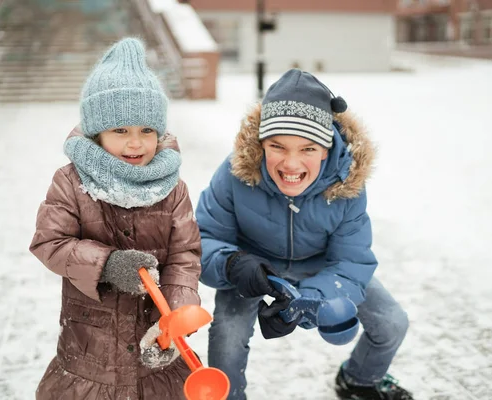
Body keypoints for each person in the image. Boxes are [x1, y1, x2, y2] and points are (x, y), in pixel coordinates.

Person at [196, 69, 413, 400]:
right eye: (278, 146)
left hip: (320, 264)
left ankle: (359, 380)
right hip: (250, 265)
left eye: (308, 149)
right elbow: (204, 238)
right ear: (261, 145)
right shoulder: (233, 174)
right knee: (227, 335)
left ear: (326, 150)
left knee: (392, 321)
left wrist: (308, 303)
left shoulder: (347, 184)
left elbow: (351, 262)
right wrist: (232, 264)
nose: (291, 163)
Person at [29, 37, 202, 399]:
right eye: (121, 131)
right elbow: (49, 242)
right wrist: (107, 264)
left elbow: (185, 255)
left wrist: (173, 318)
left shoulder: (173, 188)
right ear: (97, 133)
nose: (135, 144)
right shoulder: (71, 182)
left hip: (153, 345)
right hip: (92, 350)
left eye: (146, 131)